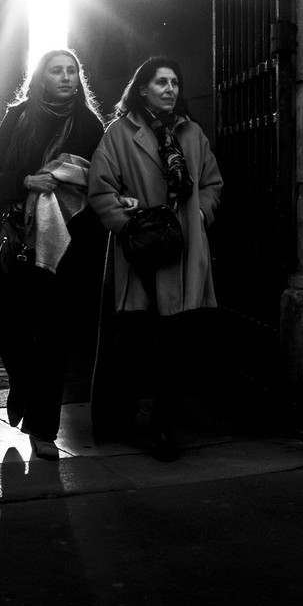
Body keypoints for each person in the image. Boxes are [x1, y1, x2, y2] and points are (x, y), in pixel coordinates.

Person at [87, 56, 223, 462]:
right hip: (142, 248)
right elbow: (100, 188)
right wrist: (126, 221)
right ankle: (121, 417)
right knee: (132, 341)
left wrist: (200, 213)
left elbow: (213, 182)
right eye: (161, 82)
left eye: (175, 82)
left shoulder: (192, 133)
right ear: (142, 88)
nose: (170, 89)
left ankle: (164, 427)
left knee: (174, 345)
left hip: (182, 250)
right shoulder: (119, 133)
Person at [0, 48, 107, 459]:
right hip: (18, 241)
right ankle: (20, 384)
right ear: (42, 77)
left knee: (54, 337)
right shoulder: (19, 117)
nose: (66, 77)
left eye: (72, 71)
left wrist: (74, 179)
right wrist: (26, 180)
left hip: (69, 246)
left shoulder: (89, 124)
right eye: (57, 71)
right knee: (14, 331)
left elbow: (101, 181)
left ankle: (43, 427)